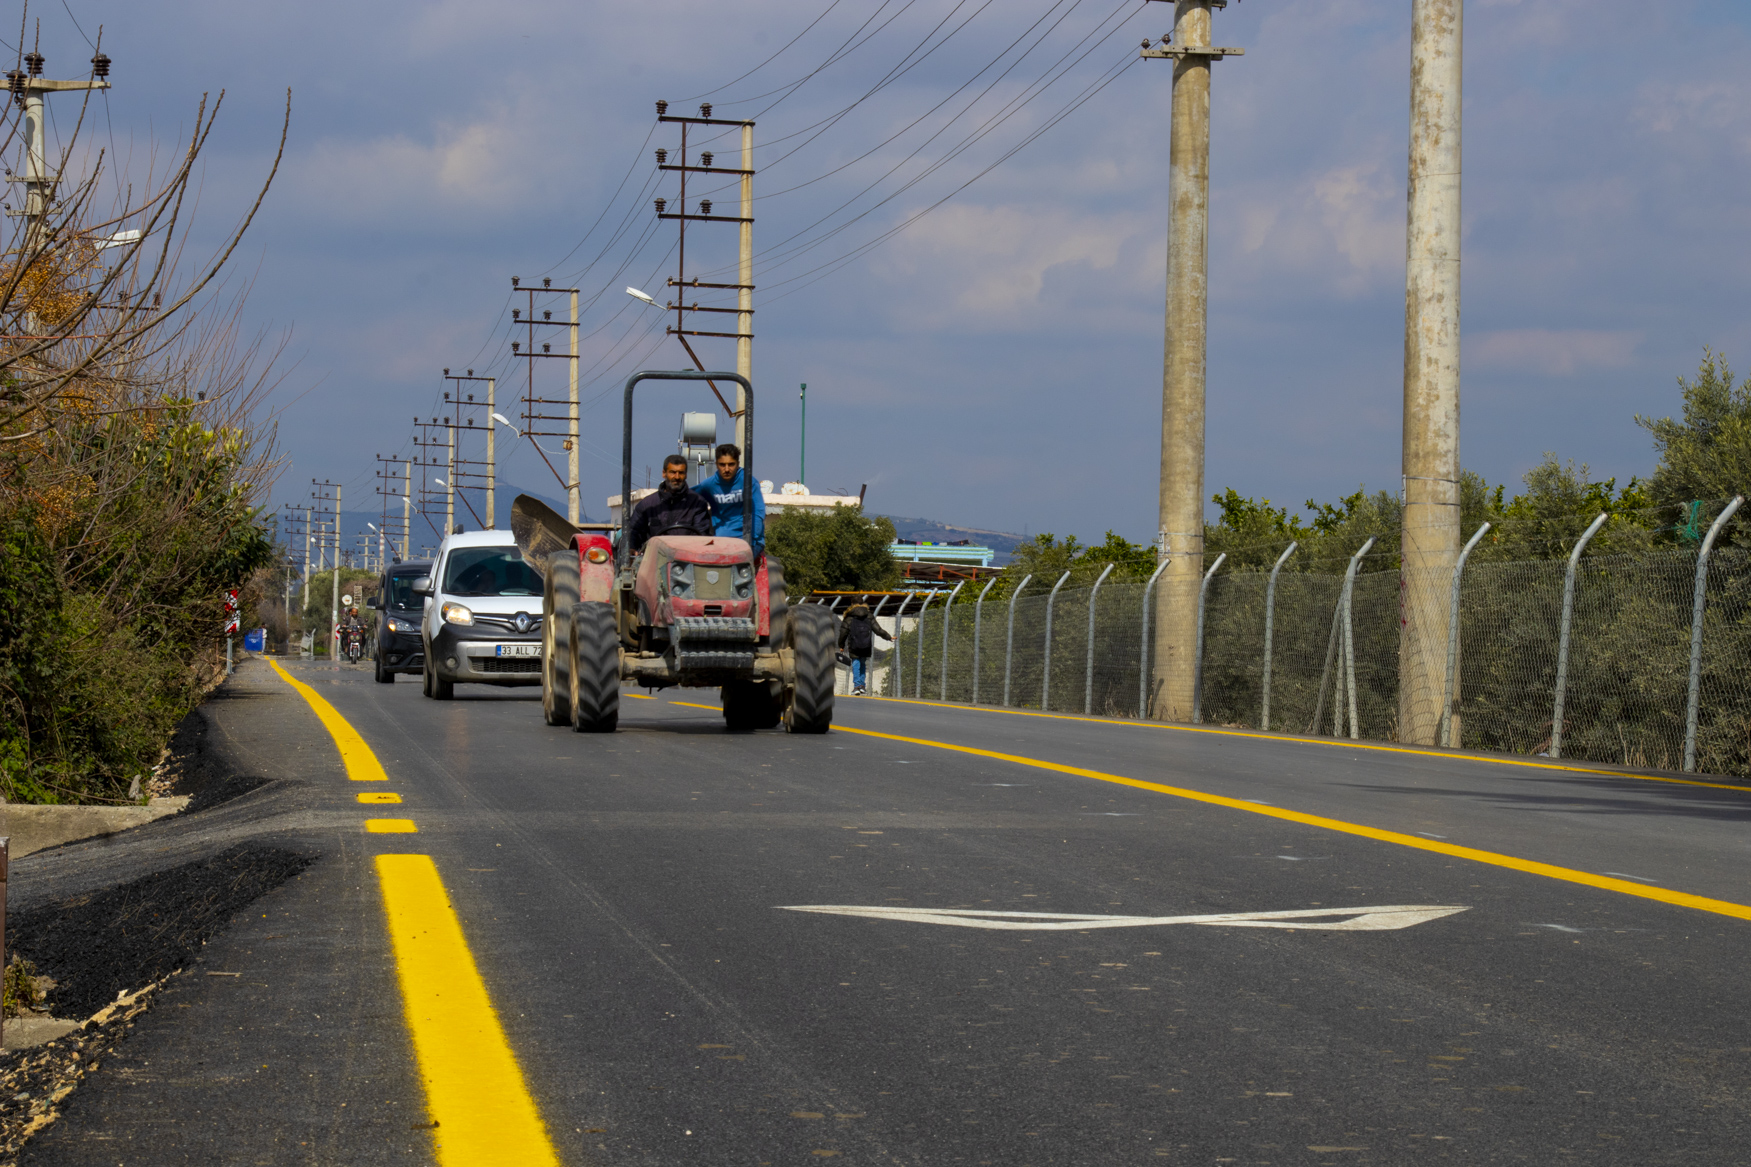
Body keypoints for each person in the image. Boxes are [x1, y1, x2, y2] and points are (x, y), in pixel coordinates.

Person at [627, 454, 712, 552]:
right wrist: (631, 549)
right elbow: (633, 533)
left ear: (686, 475)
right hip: (655, 559)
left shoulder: (697, 503)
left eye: (681, 473)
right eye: (672, 472)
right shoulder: (647, 505)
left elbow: (702, 536)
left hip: (687, 559)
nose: (677, 477)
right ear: (664, 473)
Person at [696, 443, 765, 545]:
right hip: (721, 541)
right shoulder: (709, 485)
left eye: (731, 464)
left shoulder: (748, 482)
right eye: (722, 465)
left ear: (738, 464)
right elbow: (687, 497)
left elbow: (758, 512)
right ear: (716, 464)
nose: (727, 469)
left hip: (748, 541)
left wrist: (752, 539)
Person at [837, 602, 891, 696]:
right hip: (866, 645)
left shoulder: (849, 618)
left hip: (854, 646)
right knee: (862, 664)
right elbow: (878, 630)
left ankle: (856, 687)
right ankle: (862, 686)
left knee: (856, 664)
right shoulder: (869, 616)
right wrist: (888, 637)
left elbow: (843, 633)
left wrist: (841, 645)